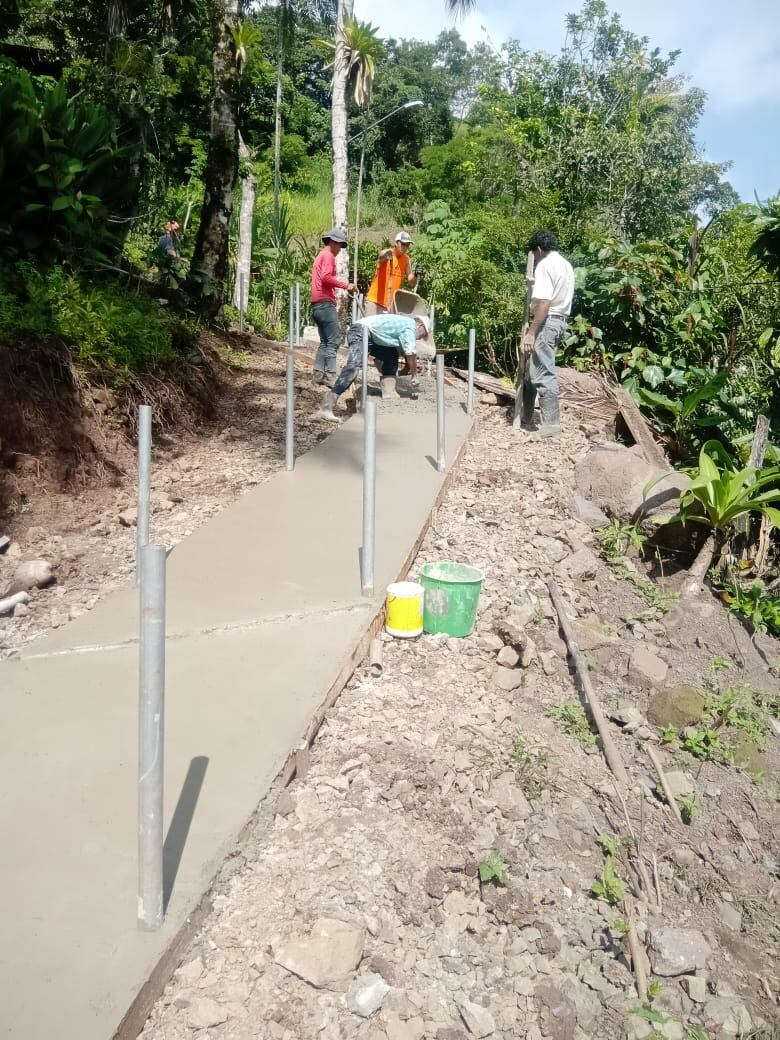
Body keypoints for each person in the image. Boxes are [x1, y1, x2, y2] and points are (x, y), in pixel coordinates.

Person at [317, 313, 431, 422]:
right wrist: (414, 375)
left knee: (391, 356)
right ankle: (327, 406)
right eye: (423, 334)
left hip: (373, 337)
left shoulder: (405, 324)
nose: (421, 338)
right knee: (354, 367)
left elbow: (405, 351)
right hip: (360, 331)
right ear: (420, 326)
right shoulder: (410, 327)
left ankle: (389, 391)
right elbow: (411, 352)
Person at [520, 229, 575, 438]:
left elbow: (544, 303)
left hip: (547, 321)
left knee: (543, 373)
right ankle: (526, 416)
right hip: (559, 321)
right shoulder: (566, 265)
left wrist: (531, 332)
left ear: (539, 250)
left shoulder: (545, 265)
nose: (533, 259)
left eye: (533, 254)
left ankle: (551, 425)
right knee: (532, 371)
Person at [311, 227, 358, 386]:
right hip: (325, 303)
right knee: (333, 341)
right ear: (333, 243)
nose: (339, 250)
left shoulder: (320, 255)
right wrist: (347, 285)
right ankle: (331, 376)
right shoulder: (328, 256)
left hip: (317, 304)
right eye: (339, 246)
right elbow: (326, 278)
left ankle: (318, 374)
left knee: (325, 341)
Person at [365, 231, 420, 314]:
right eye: (403, 244)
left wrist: (416, 274)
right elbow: (381, 256)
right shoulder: (388, 253)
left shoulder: (406, 259)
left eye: (407, 245)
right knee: (370, 327)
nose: (405, 247)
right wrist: (385, 256)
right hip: (374, 302)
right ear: (396, 243)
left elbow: (412, 283)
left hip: (390, 305)